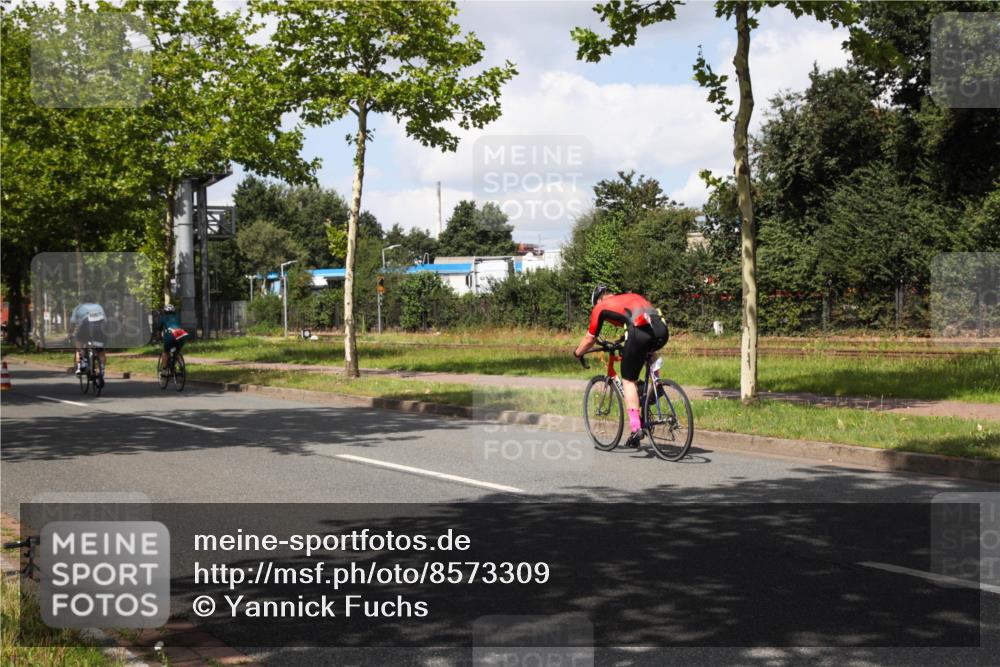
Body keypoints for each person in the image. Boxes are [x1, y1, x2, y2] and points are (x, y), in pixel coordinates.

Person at [574, 284, 669, 447]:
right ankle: (655, 384)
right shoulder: (627, 298)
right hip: (661, 329)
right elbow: (634, 322)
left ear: (598, 299)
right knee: (648, 352)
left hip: (640, 332)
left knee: (628, 380)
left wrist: (578, 353)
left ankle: (635, 429)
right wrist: (622, 341)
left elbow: (590, 339)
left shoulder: (600, 307)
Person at [69, 297, 107, 376]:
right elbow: (105, 321)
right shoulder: (99, 307)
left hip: (84, 328)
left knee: (79, 348)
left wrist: (70, 334)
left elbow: (72, 323)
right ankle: (102, 369)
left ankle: (80, 366)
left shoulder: (78, 308)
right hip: (98, 329)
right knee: (101, 352)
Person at [158, 304, 189, 375]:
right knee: (177, 352)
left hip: (170, 334)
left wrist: (159, 339)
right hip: (181, 334)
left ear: (164, 311)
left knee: (166, 352)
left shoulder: (163, 318)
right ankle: (182, 367)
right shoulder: (177, 317)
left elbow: (158, 331)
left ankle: (165, 369)